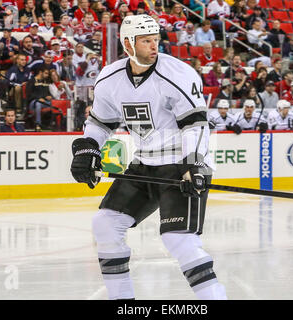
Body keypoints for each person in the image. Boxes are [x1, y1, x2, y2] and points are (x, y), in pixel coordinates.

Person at [70, 14, 227, 300]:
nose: (154, 46)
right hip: (143, 164)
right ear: (128, 43)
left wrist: (196, 163)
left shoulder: (177, 73)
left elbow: (196, 123)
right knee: (105, 224)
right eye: (146, 41)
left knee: (178, 239)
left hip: (181, 165)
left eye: (156, 39)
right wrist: (88, 147)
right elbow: (101, 122)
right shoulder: (110, 78)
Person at [26, 65, 52, 131]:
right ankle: (38, 124)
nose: (47, 75)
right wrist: (38, 98)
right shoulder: (32, 81)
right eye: (46, 73)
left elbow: (47, 93)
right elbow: (29, 94)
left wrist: (48, 96)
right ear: (40, 72)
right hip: (33, 102)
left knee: (54, 103)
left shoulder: (46, 82)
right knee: (38, 104)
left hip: (44, 102)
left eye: (48, 74)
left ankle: (51, 124)